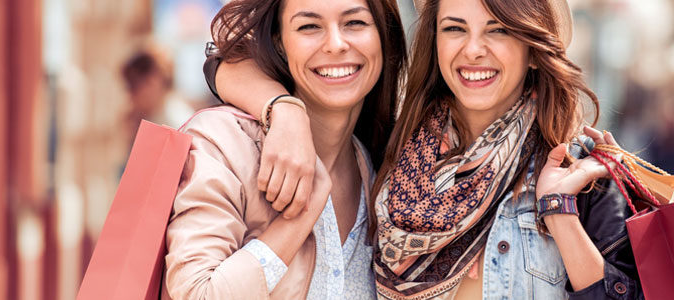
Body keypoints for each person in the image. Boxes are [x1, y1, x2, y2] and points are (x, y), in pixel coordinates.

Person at [206, 0, 644, 298]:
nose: (474, 50)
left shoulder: (581, 173)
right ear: (434, 43)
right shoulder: (395, 154)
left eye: (499, 30)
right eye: (455, 28)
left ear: (533, 50)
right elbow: (223, 62)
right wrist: (284, 111)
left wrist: (559, 211)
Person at [162, 0, 406, 298]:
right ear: (279, 42)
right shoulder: (224, 145)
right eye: (309, 26)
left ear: (384, 37)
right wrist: (300, 215)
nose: (336, 44)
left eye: (355, 23)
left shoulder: (388, 171)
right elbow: (196, 294)